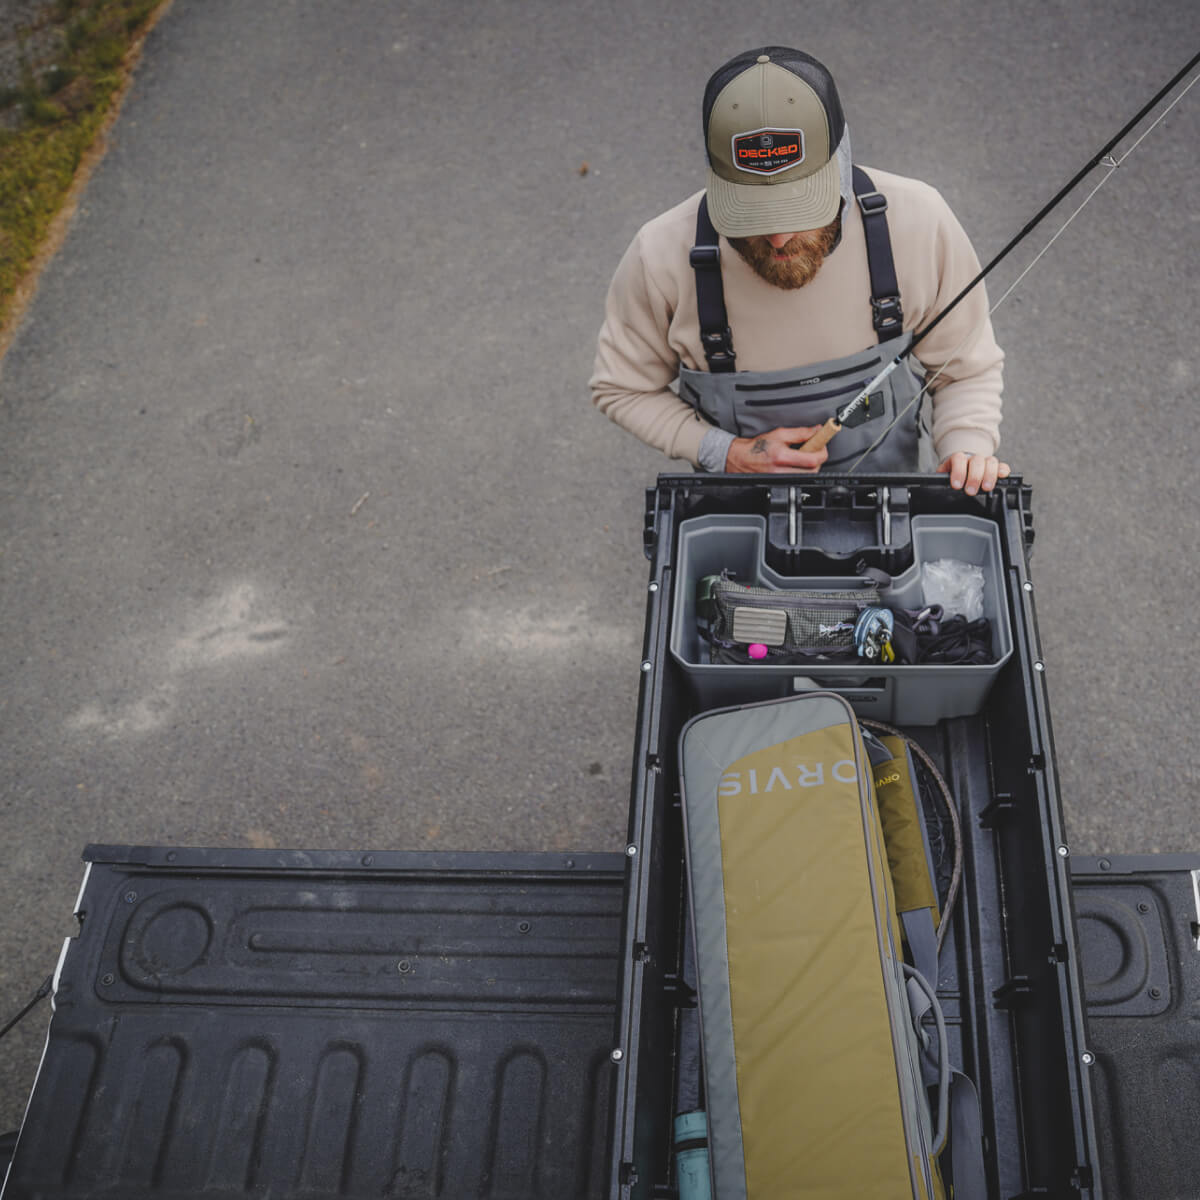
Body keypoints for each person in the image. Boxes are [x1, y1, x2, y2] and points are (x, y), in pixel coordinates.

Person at [590, 46, 1011, 495]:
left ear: (842, 164)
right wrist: (724, 451)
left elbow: (964, 370)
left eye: (800, 208)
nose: (777, 238)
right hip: (742, 510)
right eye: (751, 215)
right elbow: (623, 390)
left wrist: (966, 445)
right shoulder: (660, 255)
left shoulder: (919, 221)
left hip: (897, 504)